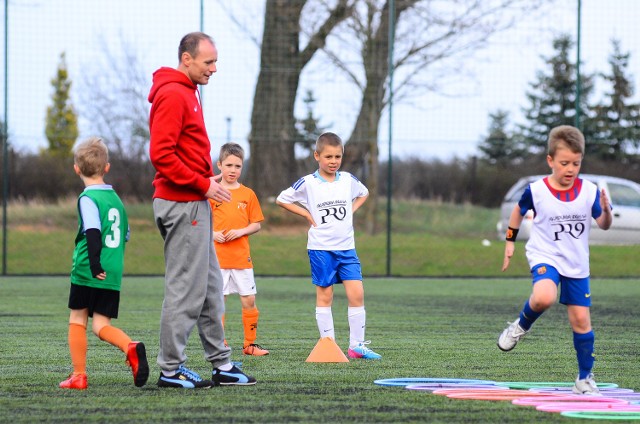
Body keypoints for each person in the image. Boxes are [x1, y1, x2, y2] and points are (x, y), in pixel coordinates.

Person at [148, 31, 256, 388]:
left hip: (194, 202)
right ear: (187, 59)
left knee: (211, 287)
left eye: (215, 61)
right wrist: (202, 183)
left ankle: (222, 365)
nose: (214, 68)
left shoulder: (188, 91)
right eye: (208, 62)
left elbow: (181, 153)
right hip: (182, 206)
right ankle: (170, 370)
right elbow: (161, 156)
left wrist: (203, 181)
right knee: (185, 290)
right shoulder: (173, 93)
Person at [497, 125, 612, 395]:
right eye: (564, 163)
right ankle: (520, 326)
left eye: (576, 163)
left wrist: (606, 209)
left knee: (581, 321)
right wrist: (510, 242)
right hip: (544, 255)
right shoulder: (536, 190)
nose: (570, 169)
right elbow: (517, 211)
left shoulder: (590, 191)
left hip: (576, 263)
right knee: (544, 297)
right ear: (550, 161)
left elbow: (604, 224)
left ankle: (584, 379)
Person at [276, 132, 381, 360]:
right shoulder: (308, 183)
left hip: (347, 249)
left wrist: (351, 210)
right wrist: (305, 213)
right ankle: (328, 343)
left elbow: (364, 193)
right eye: (328, 157)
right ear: (317, 156)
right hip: (321, 249)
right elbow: (282, 199)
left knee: (357, 294)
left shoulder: (348, 180)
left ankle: (357, 346)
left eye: (337, 156)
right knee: (325, 295)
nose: (333, 161)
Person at [59, 137, 149, 390]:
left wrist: (95, 264)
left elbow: (93, 232)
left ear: (77, 169)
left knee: (78, 319)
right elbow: (126, 234)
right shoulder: (116, 201)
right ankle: (129, 346)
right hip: (112, 271)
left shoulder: (88, 198)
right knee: (101, 325)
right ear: (106, 167)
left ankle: (79, 376)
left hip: (90, 269)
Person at [210, 143, 269, 356]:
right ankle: (220, 343)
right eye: (229, 165)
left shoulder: (248, 194)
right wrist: (212, 234)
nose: (233, 170)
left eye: (237, 166)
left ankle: (250, 345)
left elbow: (257, 224)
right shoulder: (212, 193)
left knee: (249, 300)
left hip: (241, 258)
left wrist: (242, 231)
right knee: (219, 302)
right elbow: (199, 222)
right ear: (219, 165)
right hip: (218, 259)